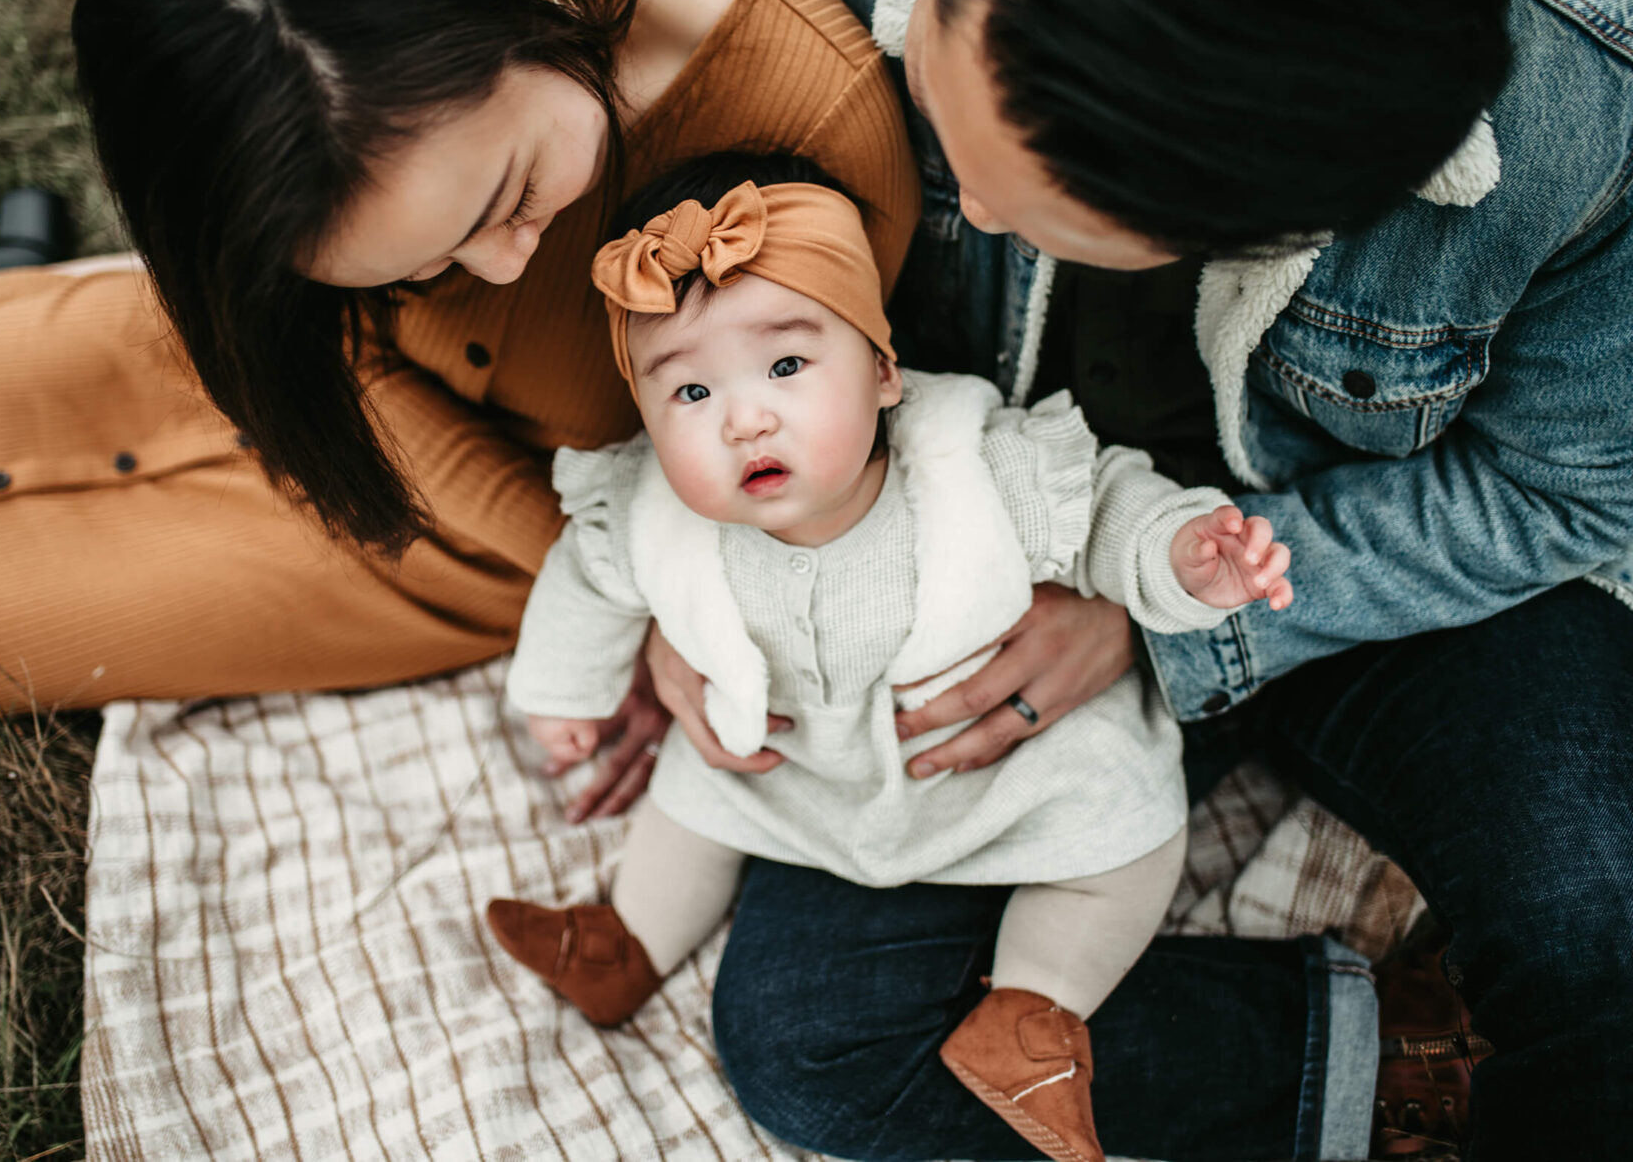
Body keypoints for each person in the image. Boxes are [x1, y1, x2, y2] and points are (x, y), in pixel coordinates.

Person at [663, 0, 1633, 1158]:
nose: (976, 215)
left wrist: (1160, 619)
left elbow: (1561, 490)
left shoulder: (1609, 66)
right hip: (989, 542)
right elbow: (713, 308)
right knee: (817, 1032)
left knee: (1627, 953)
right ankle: (1394, 1061)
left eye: (1043, 209)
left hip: (1402, 551)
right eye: (944, 122)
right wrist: (697, 566)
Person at [0, 0, 914, 817]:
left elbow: (817, 443)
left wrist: (663, 604)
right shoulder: (282, 121)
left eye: (509, 195)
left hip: (493, 526)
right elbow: (324, 333)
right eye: (417, 258)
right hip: (303, 371)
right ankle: (20, 279)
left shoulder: (811, 127)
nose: (505, 267)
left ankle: (17, 270)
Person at [484, 154, 1294, 1162]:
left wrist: (1182, 554)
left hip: (1002, 762)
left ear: (880, 370)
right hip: (800, 768)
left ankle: (1036, 1010)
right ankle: (626, 940)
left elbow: (1103, 510)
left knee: (1121, 840)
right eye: (690, 389)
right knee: (695, 795)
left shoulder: (969, 465)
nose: (744, 418)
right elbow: (587, 580)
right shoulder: (653, 513)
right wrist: (565, 693)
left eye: (787, 367)